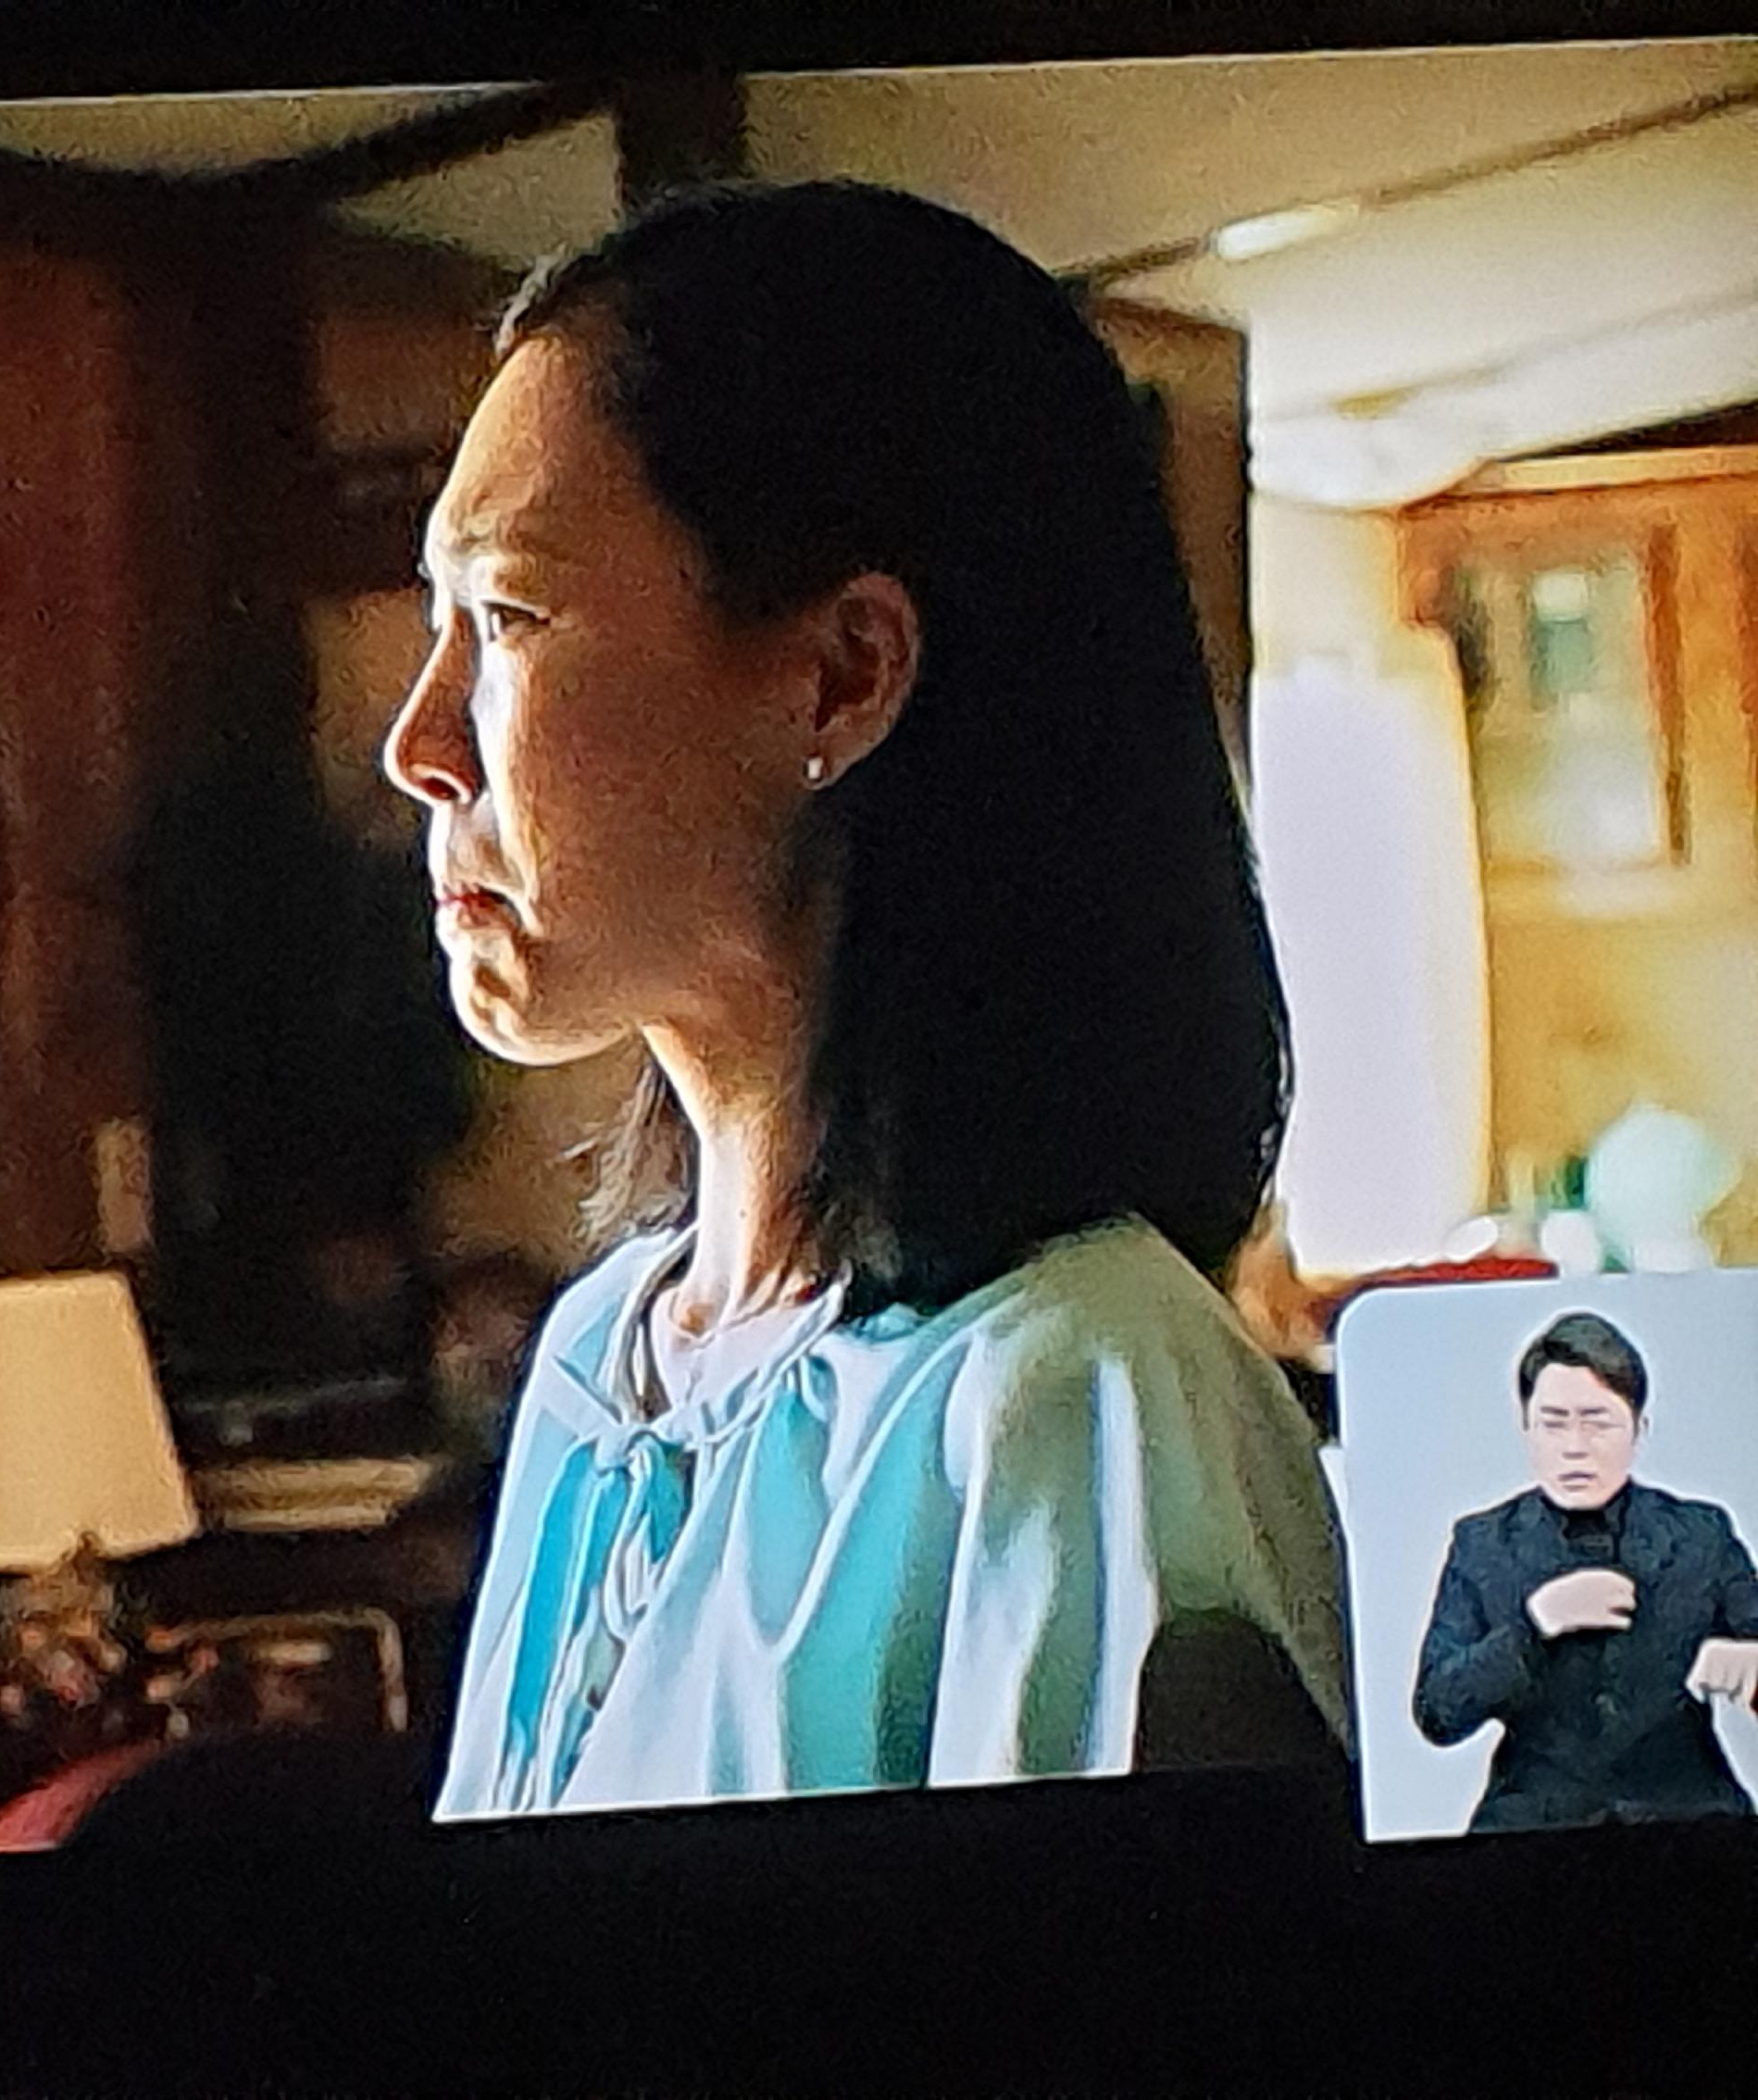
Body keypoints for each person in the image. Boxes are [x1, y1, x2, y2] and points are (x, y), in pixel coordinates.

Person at [388, 181, 1349, 1819]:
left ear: (841, 676)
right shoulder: (597, 1366)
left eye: (509, 617)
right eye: (439, 621)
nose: (418, 743)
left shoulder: (1089, 1400)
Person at [1413, 1311, 1758, 1830]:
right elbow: (1438, 1712)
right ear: (1526, 1428)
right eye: (1553, 1423)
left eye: (1598, 1423)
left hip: (1685, 1816)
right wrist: (1534, 1626)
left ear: (1638, 1429)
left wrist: (1752, 1664)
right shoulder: (1483, 1544)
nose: (1574, 1446)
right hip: (1534, 1825)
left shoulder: (1699, 1533)